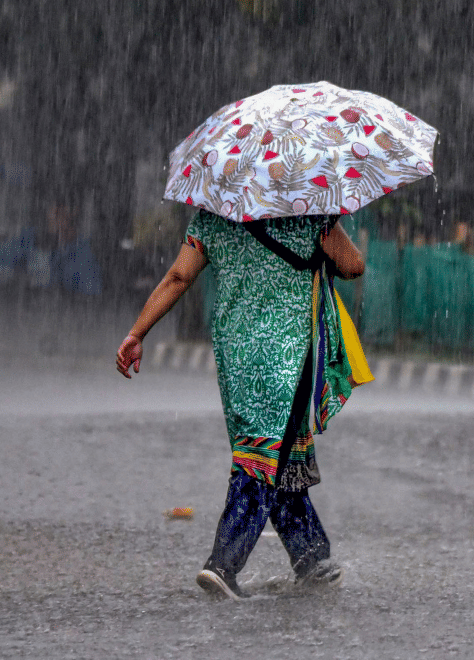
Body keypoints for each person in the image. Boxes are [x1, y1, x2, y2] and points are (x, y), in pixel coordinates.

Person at [116, 209, 365, 600]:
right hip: (288, 352)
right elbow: (353, 266)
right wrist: (327, 231)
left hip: (237, 353)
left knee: (277, 452)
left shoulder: (211, 217)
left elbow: (178, 277)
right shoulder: (309, 212)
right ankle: (223, 565)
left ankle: (312, 558)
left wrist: (137, 333)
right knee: (261, 456)